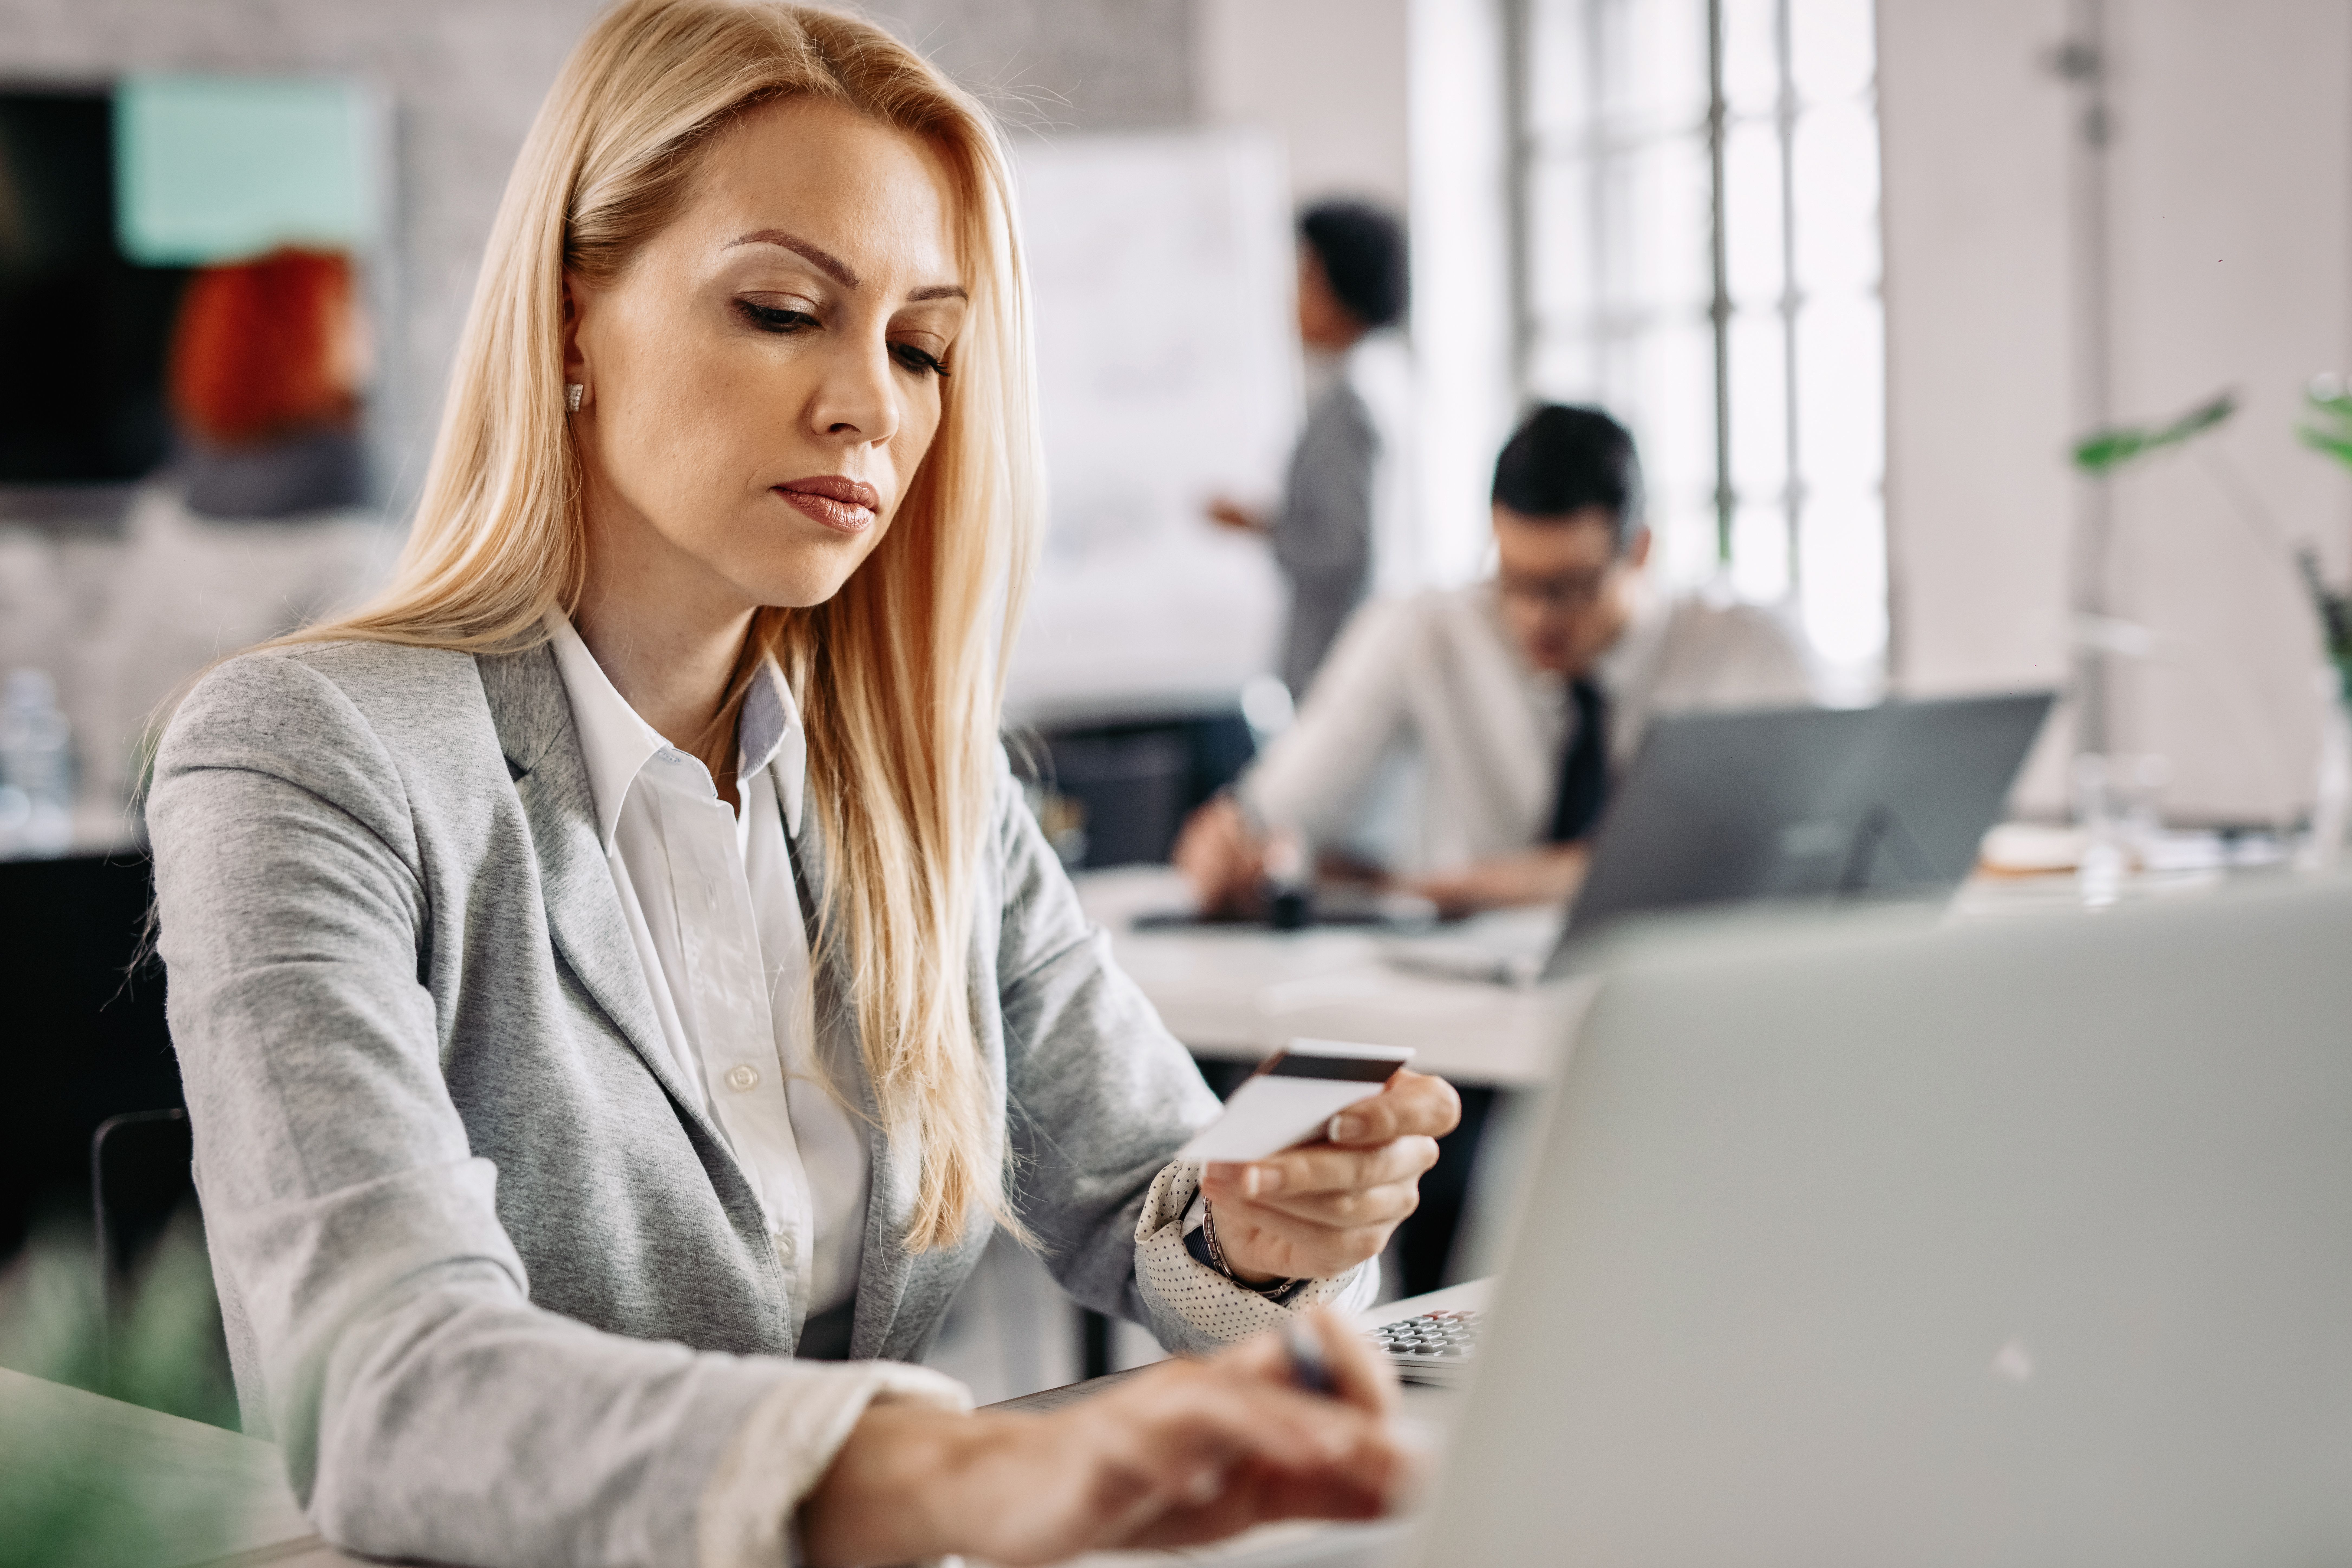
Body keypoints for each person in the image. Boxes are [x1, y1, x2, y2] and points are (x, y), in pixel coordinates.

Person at [142, 6, 1457, 1566]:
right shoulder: (301, 755)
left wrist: (1261, 1224)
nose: (872, 407)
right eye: (781, 310)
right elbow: (383, 1383)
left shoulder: (924, 793)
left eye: (921, 347)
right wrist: (935, 1478)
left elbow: (1149, 1199)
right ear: (573, 322)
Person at [1177, 403, 1817, 919]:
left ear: (1641, 551)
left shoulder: (1746, 649)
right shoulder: (1428, 628)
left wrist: (1497, 884)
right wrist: (1237, 843)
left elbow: (1797, 852)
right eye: (1513, 581)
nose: (1537, 617)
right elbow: (1278, 807)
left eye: (1570, 587)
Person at [1209, 200, 1409, 698]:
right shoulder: (1390, 380)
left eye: (1306, 278)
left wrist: (1261, 526)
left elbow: (1346, 549)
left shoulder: (1354, 405)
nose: (1293, 298)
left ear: (1341, 284)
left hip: (1342, 666)